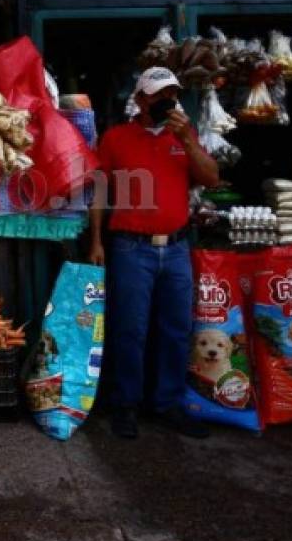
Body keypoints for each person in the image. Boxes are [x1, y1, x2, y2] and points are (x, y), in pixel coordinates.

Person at [88, 67, 219, 439]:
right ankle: (125, 405)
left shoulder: (185, 135)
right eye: (159, 95)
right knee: (130, 329)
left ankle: (168, 403)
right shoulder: (116, 138)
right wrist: (95, 241)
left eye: (172, 95)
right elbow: (98, 190)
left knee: (176, 329)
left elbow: (212, 178)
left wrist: (188, 142)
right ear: (141, 99)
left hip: (176, 246)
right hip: (131, 247)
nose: (167, 101)